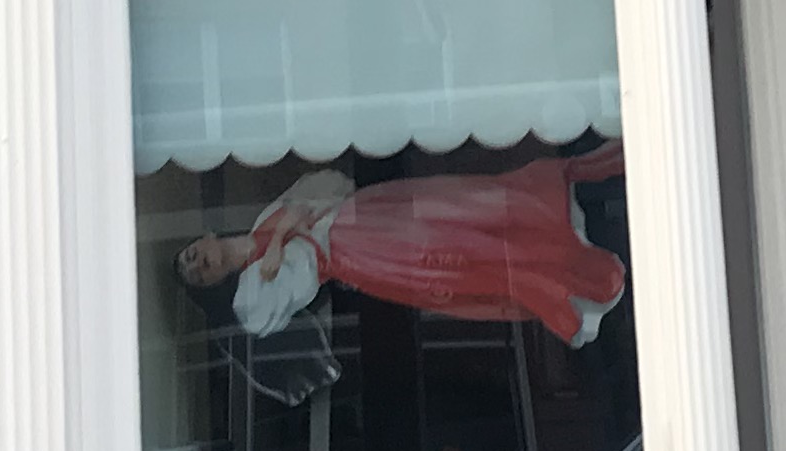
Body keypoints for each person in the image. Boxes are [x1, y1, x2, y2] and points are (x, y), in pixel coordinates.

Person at [178, 142, 627, 349]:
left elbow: (330, 184)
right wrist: (286, 234)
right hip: (359, 254)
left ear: (204, 238)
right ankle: (561, 272)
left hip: (367, 213)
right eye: (198, 273)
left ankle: (555, 202)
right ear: (213, 283)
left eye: (193, 255)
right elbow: (292, 286)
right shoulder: (248, 298)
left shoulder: (263, 219)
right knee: (461, 252)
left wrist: (291, 223)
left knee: (462, 204)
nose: (201, 264)